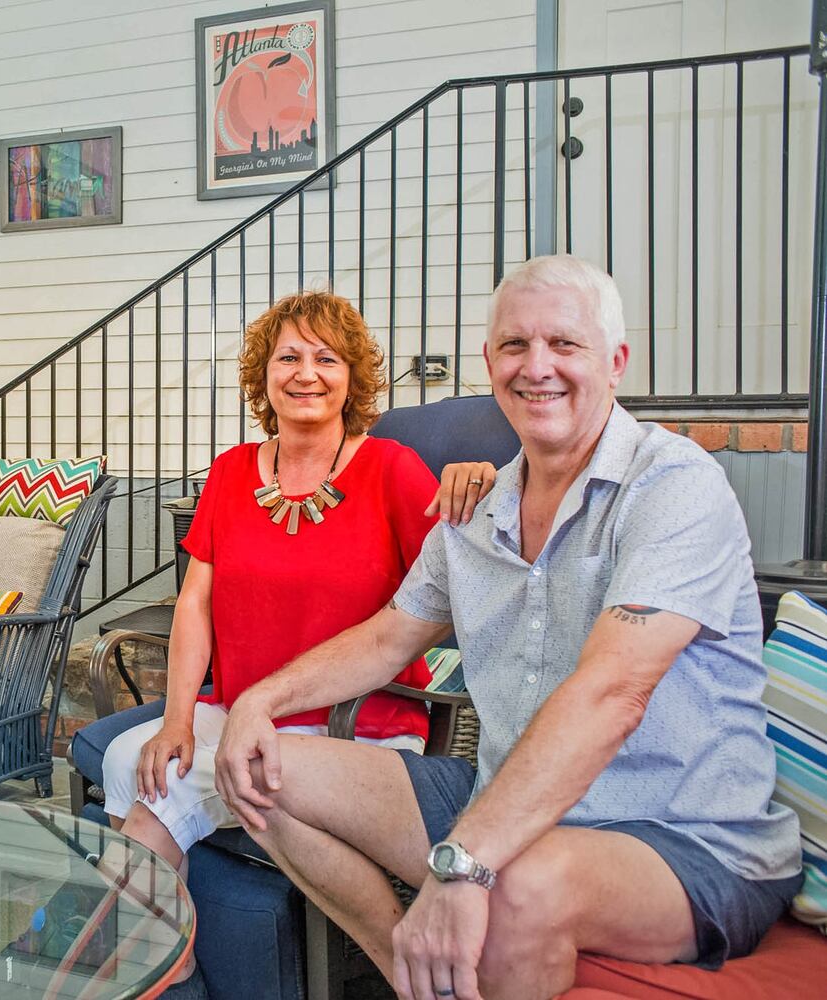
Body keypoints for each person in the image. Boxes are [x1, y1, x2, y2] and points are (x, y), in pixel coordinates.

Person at [213, 255, 803, 1000]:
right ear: (490, 362)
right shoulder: (476, 510)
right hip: (500, 798)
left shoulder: (671, 485)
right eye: (516, 345)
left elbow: (613, 692)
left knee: (513, 885)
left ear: (616, 362)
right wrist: (258, 703)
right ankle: (410, 974)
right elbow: (389, 636)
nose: (537, 366)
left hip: (681, 838)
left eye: (565, 344)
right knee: (262, 770)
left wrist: (466, 861)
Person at [97, 289, 495, 996]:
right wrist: (178, 719)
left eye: (327, 359)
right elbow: (195, 603)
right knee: (134, 759)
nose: (306, 373)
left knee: (170, 791)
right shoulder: (230, 472)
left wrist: (483, 487)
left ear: (352, 378)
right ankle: (170, 970)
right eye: (288, 358)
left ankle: (136, 971)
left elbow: (457, 587)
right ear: (264, 375)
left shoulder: (392, 469)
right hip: (238, 712)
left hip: (358, 725)